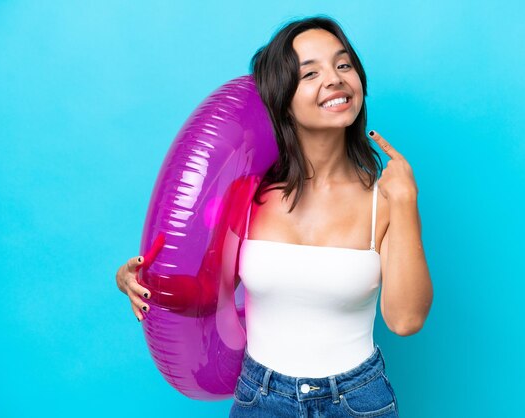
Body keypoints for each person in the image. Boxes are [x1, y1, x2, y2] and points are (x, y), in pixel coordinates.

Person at [115, 15, 433, 417]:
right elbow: (206, 295)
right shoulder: (250, 197)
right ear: (283, 99)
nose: (334, 79)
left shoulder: (384, 199)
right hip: (261, 397)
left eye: (343, 64)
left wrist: (405, 201)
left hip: (356, 400)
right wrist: (141, 283)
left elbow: (405, 319)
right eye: (310, 73)